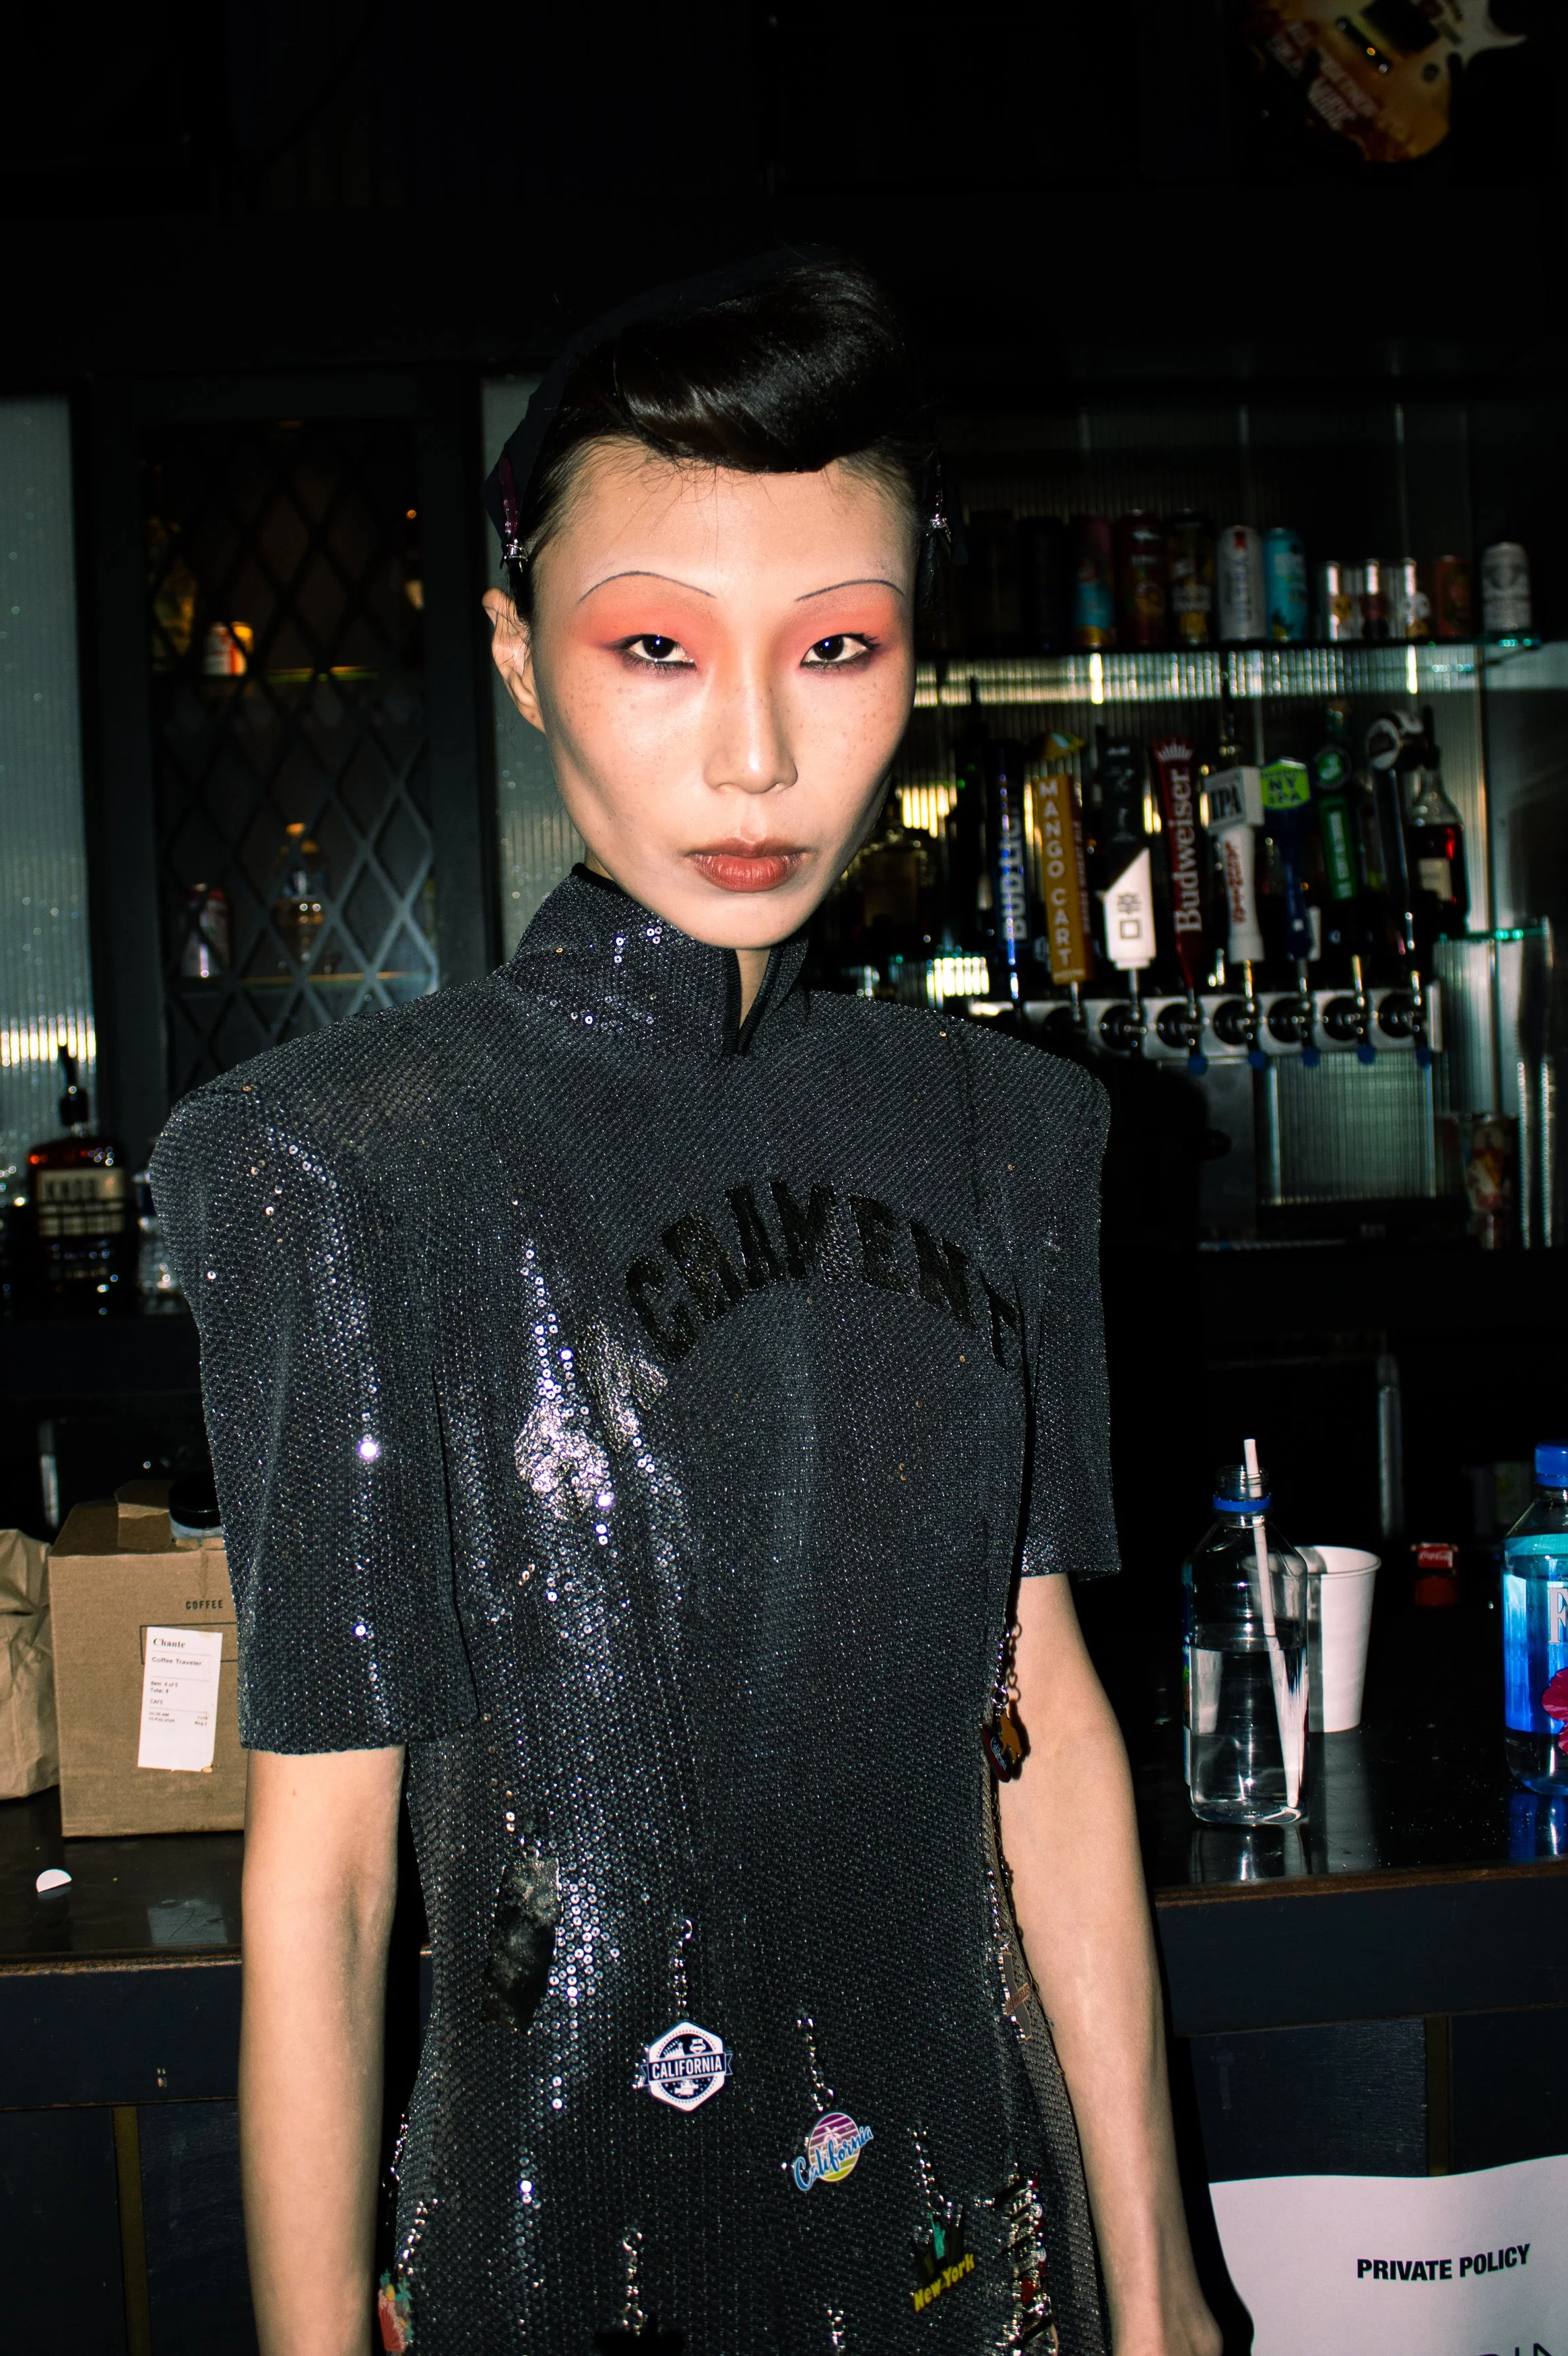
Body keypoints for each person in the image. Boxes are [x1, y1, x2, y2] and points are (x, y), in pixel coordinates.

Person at [153, 252, 1220, 2356]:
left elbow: (1051, 1734)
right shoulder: (346, 1156)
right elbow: (327, 1868)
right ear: (518, 660)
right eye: (657, 646)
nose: (752, 750)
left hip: (971, 2228)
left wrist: (1157, 2267)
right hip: (559, 2246)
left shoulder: (1008, 1133)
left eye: (835, 647)